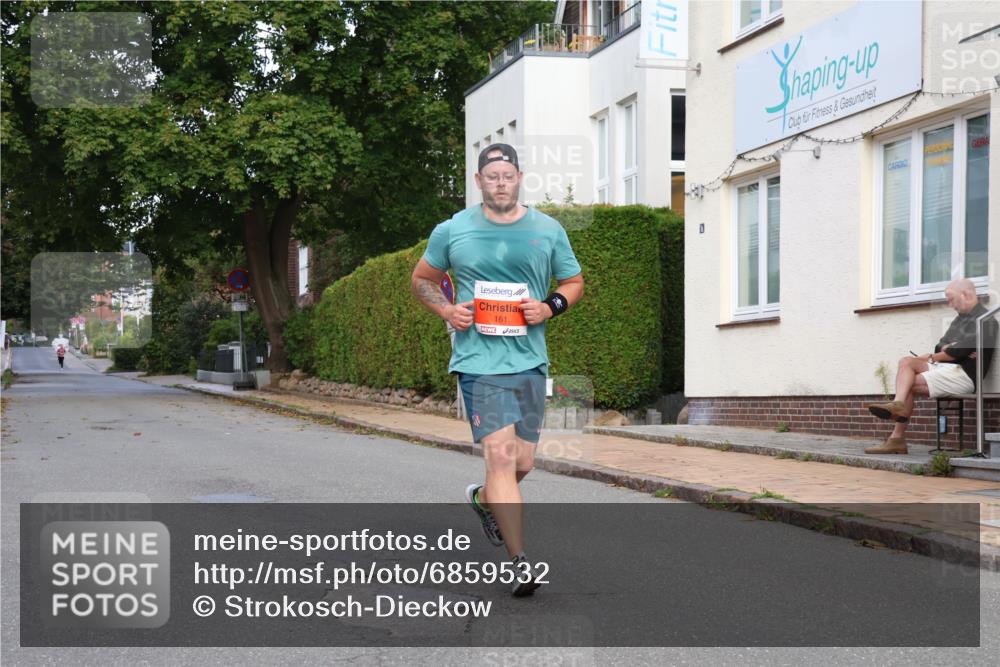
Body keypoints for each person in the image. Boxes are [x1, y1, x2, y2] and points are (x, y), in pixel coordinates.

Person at [411, 143, 584, 597]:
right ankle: (519, 563)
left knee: (523, 461)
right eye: (492, 176)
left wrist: (550, 307)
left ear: (519, 177)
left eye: (508, 175)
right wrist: (448, 311)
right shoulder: (453, 230)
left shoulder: (547, 229)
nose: (501, 183)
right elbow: (422, 279)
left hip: (529, 360)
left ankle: (483, 498)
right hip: (477, 362)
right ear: (479, 181)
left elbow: (573, 281)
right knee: (502, 459)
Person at [866, 279, 997, 454]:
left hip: (964, 375)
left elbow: (957, 352)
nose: (949, 304)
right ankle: (897, 405)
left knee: (908, 384)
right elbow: (942, 346)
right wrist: (952, 349)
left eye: (951, 299)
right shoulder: (959, 320)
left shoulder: (986, 321)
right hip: (946, 369)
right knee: (906, 362)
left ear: (966, 295)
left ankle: (897, 437)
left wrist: (950, 351)